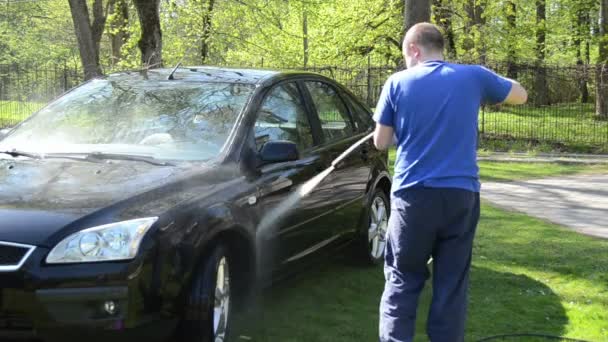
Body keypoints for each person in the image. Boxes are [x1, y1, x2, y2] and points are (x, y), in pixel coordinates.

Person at [373, 23, 527, 342]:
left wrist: (403, 126)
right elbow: (521, 95)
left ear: (414, 49)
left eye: (405, 55)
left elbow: (380, 142)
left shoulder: (397, 82)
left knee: (402, 277)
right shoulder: (473, 76)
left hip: (413, 197)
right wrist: (492, 80)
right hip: (461, 196)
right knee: (451, 283)